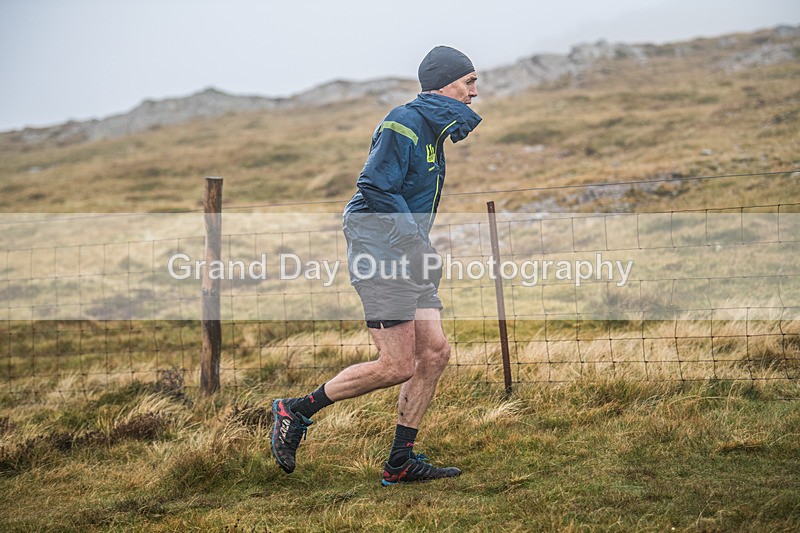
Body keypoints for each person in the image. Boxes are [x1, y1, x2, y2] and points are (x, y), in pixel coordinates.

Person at [271, 45, 481, 486]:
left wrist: (419, 246)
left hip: (407, 251)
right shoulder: (402, 123)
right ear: (445, 83)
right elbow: (373, 186)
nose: (475, 92)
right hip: (380, 251)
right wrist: (411, 242)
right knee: (397, 364)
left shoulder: (432, 133)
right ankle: (296, 410)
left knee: (435, 352)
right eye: (469, 82)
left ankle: (400, 462)